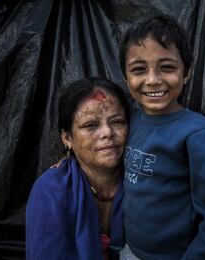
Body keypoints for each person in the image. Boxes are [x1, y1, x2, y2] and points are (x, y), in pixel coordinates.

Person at [119, 15, 205, 259]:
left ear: (186, 73)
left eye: (167, 67)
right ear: (125, 76)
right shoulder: (129, 123)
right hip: (131, 252)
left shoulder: (200, 135)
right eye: (139, 69)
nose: (152, 80)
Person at [26, 78, 130, 260]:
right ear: (67, 138)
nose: (107, 132)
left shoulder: (143, 178)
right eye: (90, 125)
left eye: (118, 121)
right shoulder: (51, 191)